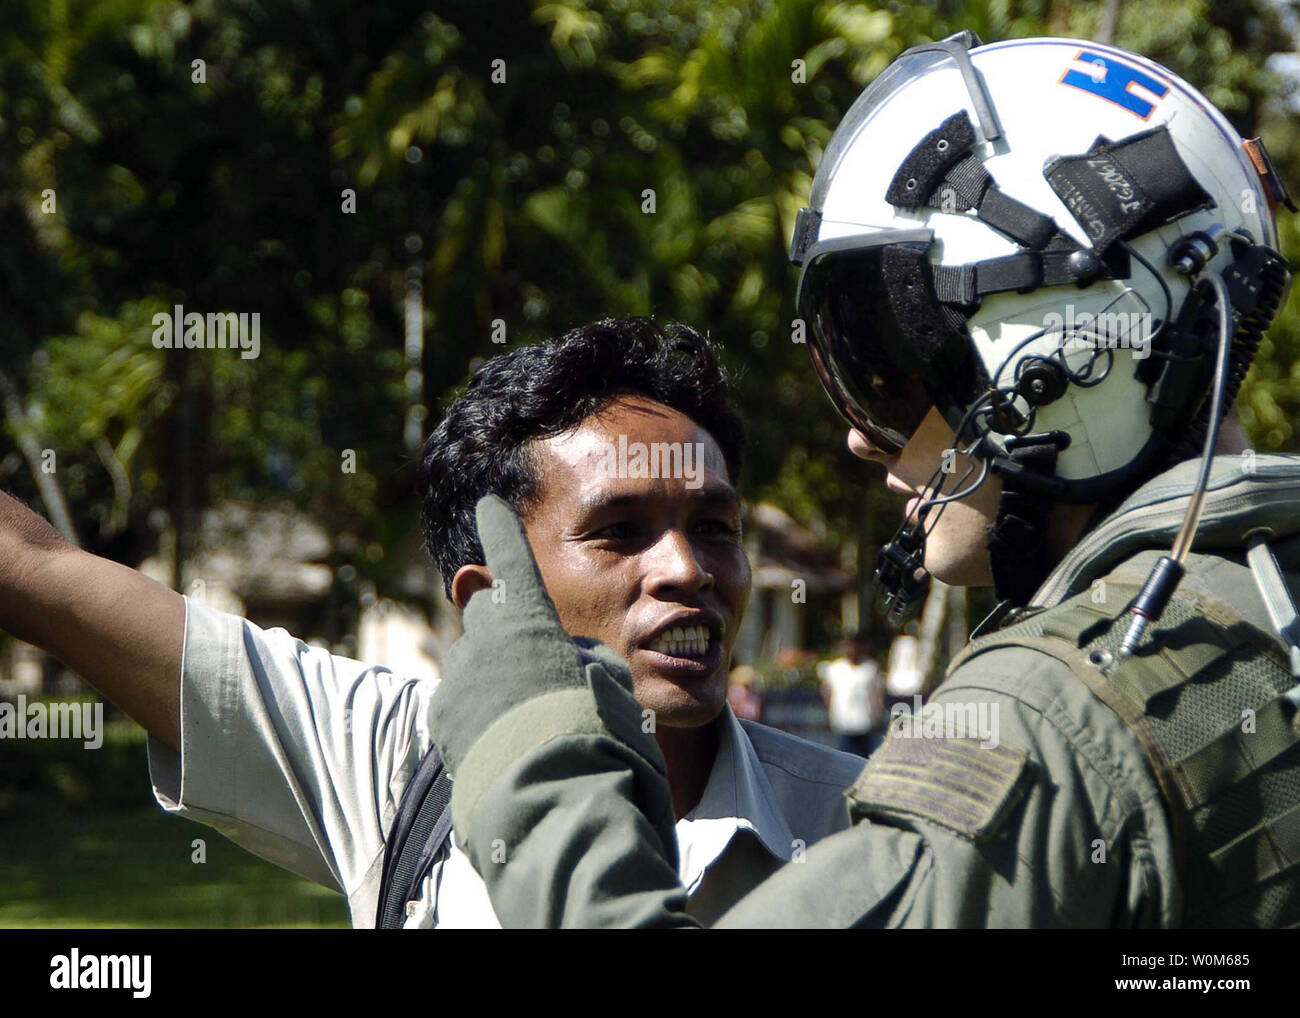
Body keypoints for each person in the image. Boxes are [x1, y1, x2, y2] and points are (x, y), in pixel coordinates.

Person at [424, 34, 1300, 927]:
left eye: (885, 373)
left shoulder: (1058, 721)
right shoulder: (1261, 604)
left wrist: (533, 750)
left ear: (1061, 366)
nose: (859, 437)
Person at [0, 317, 864, 928]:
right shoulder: (400, 761)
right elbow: (38, 570)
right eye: (619, 532)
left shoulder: (859, 834)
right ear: (493, 598)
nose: (687, 570)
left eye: (715, 528)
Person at [817, 635, 883, 755]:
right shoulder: (835, 668)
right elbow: (827, 692)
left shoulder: (869, 668)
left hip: (864, 723)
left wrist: (877, 714)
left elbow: (876, 694)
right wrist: (828, 712)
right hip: (842, 722)